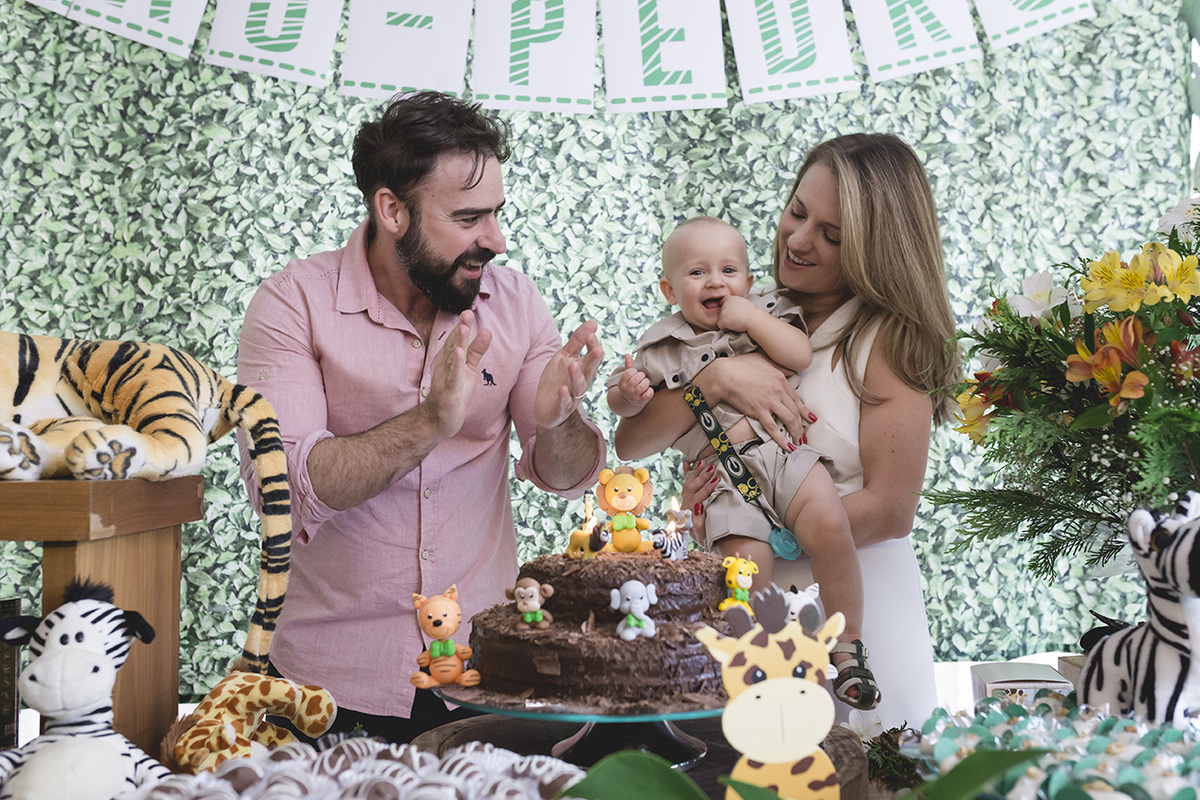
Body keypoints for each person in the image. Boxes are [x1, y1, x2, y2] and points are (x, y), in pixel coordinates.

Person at [235, 91, 606, 743]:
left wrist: (559, 422)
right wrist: (429, 421)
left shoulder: (515, 303)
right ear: (392, 210)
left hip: (485, 675)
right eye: (468, 217)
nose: (495, 239)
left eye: (495, 213)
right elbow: (286, 488)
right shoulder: (293, 304)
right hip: (328, 688)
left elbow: (566, 476)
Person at [615, 133, 959, 728]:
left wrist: (757, 528)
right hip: (750, 598)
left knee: (863, 764)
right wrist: (715, 381)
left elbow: (890, 509)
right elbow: (637, 442)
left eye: (831, 235)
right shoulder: (743, 310)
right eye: (797, 211)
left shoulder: (892, 339)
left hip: (855, 603)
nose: (797, 240)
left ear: (876, 249)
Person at [607, 216, 875, 709]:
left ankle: (848, 644)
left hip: (782, 452)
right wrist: (627, 395)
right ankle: (760, 663)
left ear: (749, 282)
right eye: (697, 272)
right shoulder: (660, 348)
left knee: (830, 526)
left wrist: (751, 318)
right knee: (745, 567)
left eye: (728, 270)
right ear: (669, 290)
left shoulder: (768, 313)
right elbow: (626, 422)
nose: (715, 282)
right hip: (723, 474)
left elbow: (799, 354)